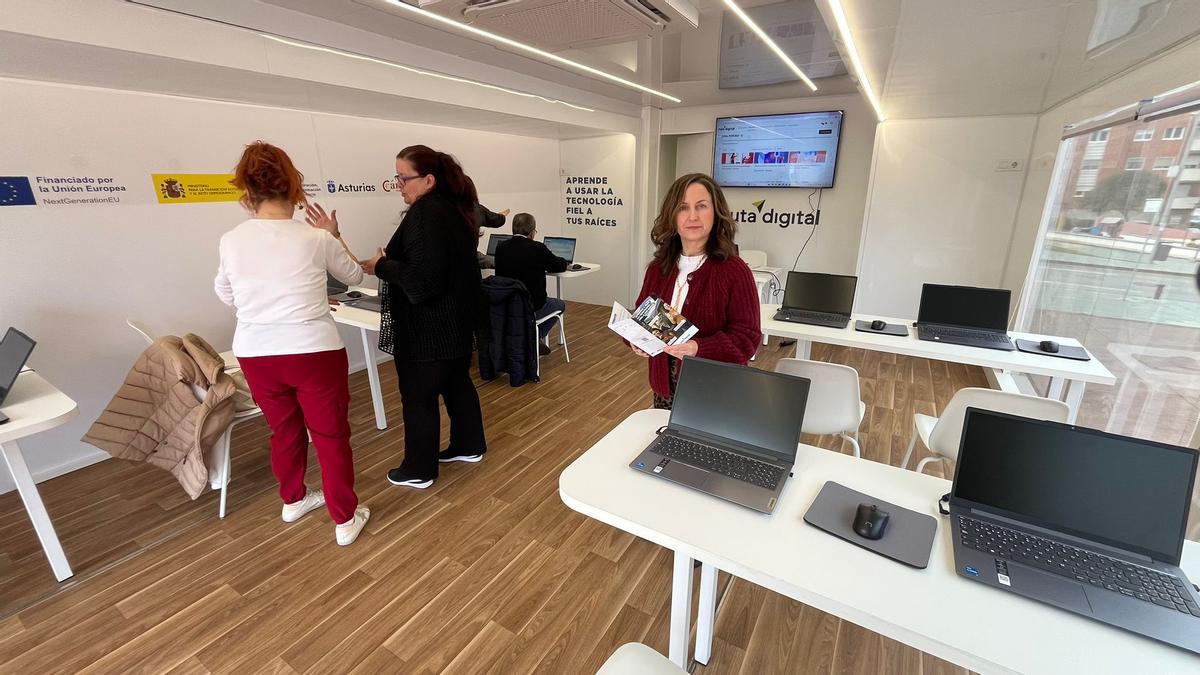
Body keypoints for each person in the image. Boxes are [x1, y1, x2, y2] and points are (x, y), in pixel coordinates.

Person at [214, 141, 369, 546]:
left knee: (283, 430)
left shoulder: (232, 239)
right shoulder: (315, 238)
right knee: (330, 436)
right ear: (295, 190)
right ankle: (344, 519)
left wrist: (267, 303)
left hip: (256, 353)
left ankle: (293, 499)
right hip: (313, 349)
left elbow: (226, 294)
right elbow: (354, 277)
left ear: (246, 191)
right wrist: (332, 235)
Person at [348, 144, 487, 488]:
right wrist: (386, 265)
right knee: (457, 385)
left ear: (428, 180)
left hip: (428, 329)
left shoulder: (426, 214)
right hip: (454, 324)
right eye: (396, 177)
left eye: (403, 177)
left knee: (418, 397)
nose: (398, 184)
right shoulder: (455, 210)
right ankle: (469, 446)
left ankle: (419, 469)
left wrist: (383, 265)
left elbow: (423, 281)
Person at [629, 173, 761, 409]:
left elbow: (747, 339)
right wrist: (635, 340)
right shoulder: (658, 269)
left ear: (716, 212)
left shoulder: (734, 271)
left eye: (701, 206)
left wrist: (698, 348)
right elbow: (641, 320)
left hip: (714, 394)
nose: (692, 216)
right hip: (663, 390)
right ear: (672, 215)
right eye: (683, 208)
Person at [493, 212, 568, 355]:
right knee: (560, 304)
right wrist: (565, 262)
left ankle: (528, 338)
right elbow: (558, 265)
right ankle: (533, 338)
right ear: (532, 232)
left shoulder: (501, 247)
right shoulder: (537, 248)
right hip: (531, 306)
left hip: (506, 305)